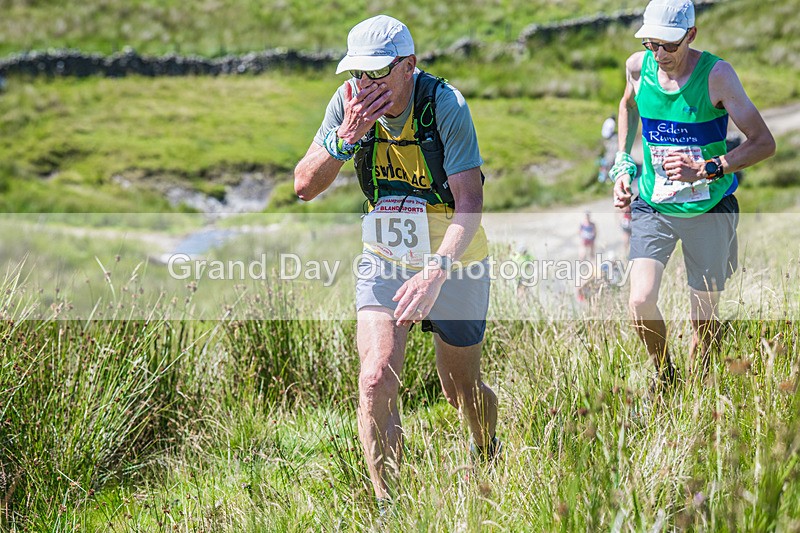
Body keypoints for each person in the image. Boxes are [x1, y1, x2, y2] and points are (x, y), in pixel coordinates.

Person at [294, 15, 499, 504]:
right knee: (375, 373)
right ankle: (391, 507)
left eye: (377, 73)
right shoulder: (347, 106)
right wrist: (345, 139)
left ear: (409, 65)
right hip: (384, 257)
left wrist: (435, 271)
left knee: (460, 391)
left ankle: (487, 448)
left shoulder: (445, 105)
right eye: (356, 73)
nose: (364, 85)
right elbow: (303, 186)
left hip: (455, 258)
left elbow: (470, 202)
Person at [610, 0, 775, 388]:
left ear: (691, 36)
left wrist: (707, 168)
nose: (660, 54)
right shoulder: (638, 66)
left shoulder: (717, 76)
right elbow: (626, 105)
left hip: (709, 207)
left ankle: (698, 391)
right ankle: (665, 376)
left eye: (669, 45)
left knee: (705, 322)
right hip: (654, 206)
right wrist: (622, 163)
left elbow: (763, 143)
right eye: (652, 44)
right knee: (639, 300)